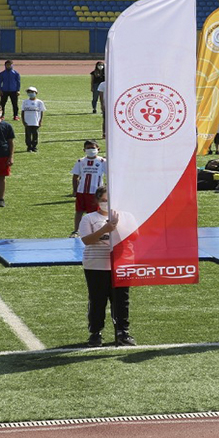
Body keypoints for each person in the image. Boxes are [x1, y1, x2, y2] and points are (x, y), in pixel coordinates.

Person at [78, 186, 135, 347]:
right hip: (96, 264)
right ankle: (96, 333)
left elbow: (135, 236)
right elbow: (87, 240)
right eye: (103, 200)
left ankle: (122, 332)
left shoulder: (127, 216)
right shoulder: (89, 218)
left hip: (120, 264)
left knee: (121, 300)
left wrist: (118, 227)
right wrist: (106, 228)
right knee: (97, 300)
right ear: (97, 201)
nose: (106, 203)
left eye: (109, 200)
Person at [70, 141, 106, 236]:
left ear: (98, 149)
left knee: (94, 212)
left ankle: (95, 231)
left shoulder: (102, 161)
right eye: (88, 148)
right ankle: (76, 231)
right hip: (82, 191)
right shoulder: (81, 161)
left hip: (95, 192)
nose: (91, 150)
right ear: (84, 150)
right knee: (79, 211)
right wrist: (75, 190)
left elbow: (109, 175)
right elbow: (75, 176)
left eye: (93, 148)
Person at [21, 86, 46, 153]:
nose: (30, 93)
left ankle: (34, 146)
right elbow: (22, 111)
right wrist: (23, 121)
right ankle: (29, 147)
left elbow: (41, 112)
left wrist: (40, 121)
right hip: (27, 121)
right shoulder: (25, 102)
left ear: (36, 93)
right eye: (29, 92)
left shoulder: (39, 102)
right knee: (28, 135)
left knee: (35, 135)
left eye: (32, 92)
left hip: (35, 121)